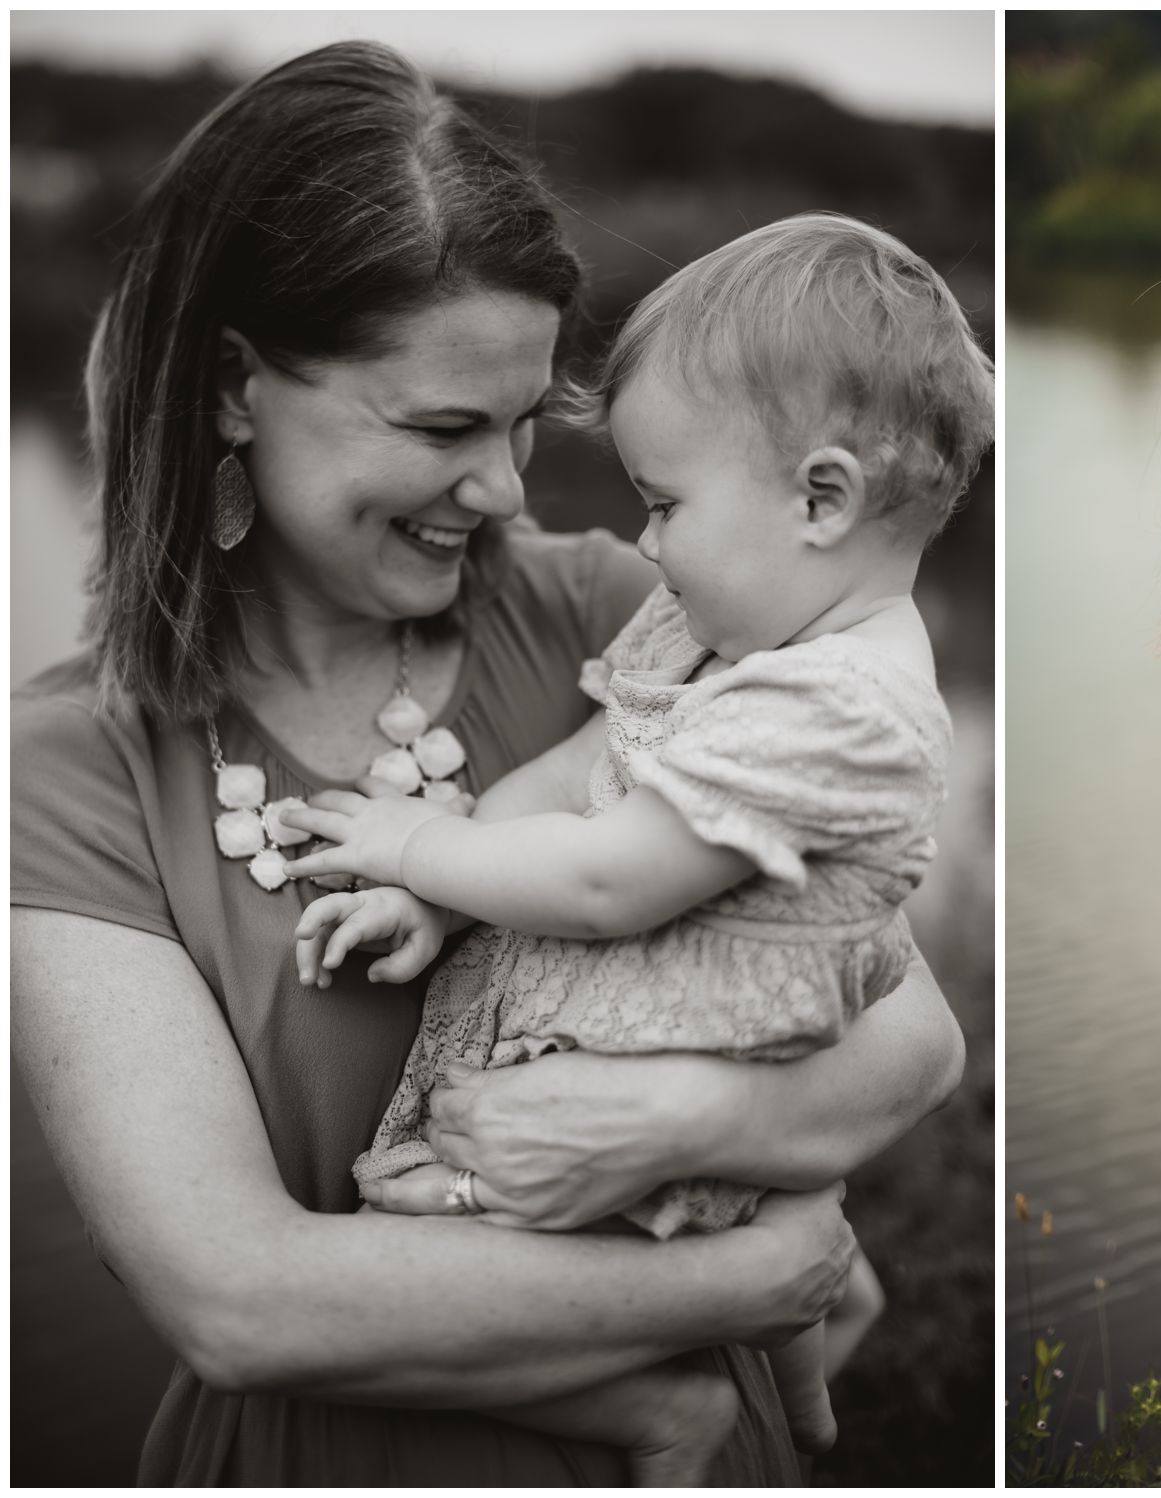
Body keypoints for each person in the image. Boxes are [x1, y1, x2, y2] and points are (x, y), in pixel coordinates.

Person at [11, 42, 964, 1486]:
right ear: (228, 389)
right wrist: (752, 1279)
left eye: (524, 424)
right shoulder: (71, 768)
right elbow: (238, 1296)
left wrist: (677, 1119)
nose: (507, 489)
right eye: (444, 427)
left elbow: (909, 1032)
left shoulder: (634, 622)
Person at [280, 212, 993, 1482]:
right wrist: (448, 889)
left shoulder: (836, 706)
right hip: (644, 1065)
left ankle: (662, 1419)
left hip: (656, 1079)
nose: (647, 542)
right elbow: (582, 770)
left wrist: (408, 846)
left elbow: (611, 877)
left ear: (820, 497)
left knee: (415, 1215)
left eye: (664, 504)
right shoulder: (726, 624)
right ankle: (807, 1393)